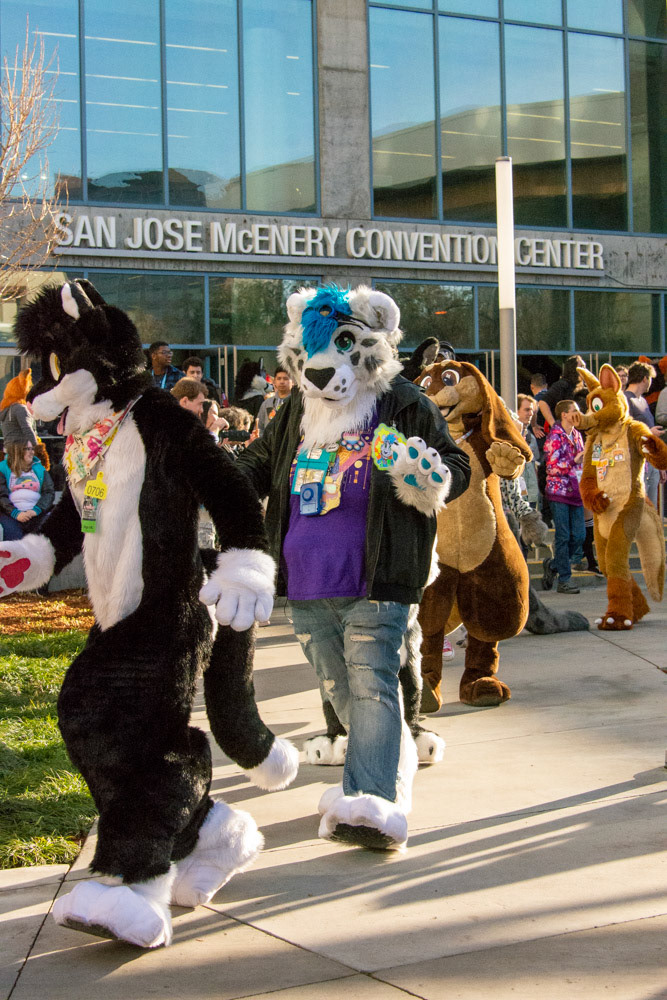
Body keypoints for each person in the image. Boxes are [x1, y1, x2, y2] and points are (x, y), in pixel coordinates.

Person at [542, 400, 586, 595]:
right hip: (559, 492)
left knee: (579, 535)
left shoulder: (577, 435)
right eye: (574, 411)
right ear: (564, 415)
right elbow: (552, 466)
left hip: (576, 491)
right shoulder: (554, 436)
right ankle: (564, 580)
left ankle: (553, 566)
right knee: (563, 536)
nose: (578, 414)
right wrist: (573, 461)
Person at [625, 361, 666, 507]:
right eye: (650, 379)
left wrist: (659, 464)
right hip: (637, 462)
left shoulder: (642, 400)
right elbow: (625, 430)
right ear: (644, 379)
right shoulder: (625, 399)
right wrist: (649, 431)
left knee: (651, 508)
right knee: (639, 507)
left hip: (650, 460)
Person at [0, 441, 55, 541]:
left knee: (41, 538)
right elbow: (1, 496)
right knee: (13, 537)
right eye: (28, 449)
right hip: (10, 514)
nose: (32, 452)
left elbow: (49, 492)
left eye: (32, 449)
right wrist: (15, 513)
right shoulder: (3, 467)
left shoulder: (39, 468)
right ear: (17, 451)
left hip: (37, 513)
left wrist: (36, 510)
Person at [516, 393, 540, 508]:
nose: (530, 414)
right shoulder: (507, 437)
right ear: (516, 411)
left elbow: (535, 466)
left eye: (532, 410)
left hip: (531, 495)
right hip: (515, 496)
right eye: (527, 410)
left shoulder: (531, 438)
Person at [257, 367, 293, 436]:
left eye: (285, 379)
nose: (282, 382)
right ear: (274, 382)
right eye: (279, 378)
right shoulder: (267, 404)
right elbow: (259, 427)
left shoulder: (297, 403)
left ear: (293, 382)